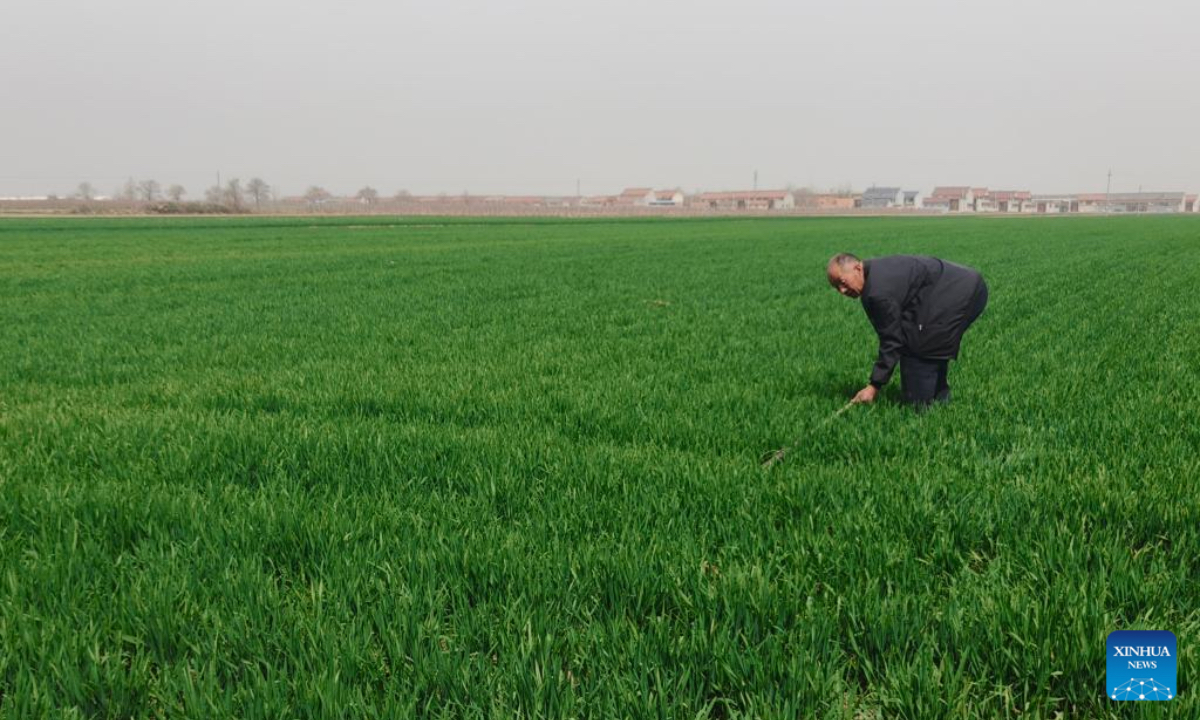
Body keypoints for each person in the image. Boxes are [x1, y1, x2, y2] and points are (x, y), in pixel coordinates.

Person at [826, 253, 988, 408]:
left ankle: (926, 409)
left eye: (842, 282)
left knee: (920, 348)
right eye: (836, 287)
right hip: (964, 285)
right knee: (917, 339)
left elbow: (892, 339)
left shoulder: (877, 292)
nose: (842, 290)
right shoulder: (875, 273)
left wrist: (874, 386)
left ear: (857, 268)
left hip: (960, 292)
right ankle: (941, 401)